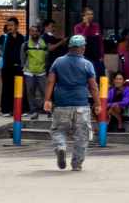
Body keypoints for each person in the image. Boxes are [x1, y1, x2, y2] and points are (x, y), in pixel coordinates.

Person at [43, 34, 101, 171]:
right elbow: (93, 86)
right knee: (82, 136)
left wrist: (47, 100)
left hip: (61, 104)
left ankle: (61, 147)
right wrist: (98, 104)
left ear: (69, 47)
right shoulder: (87, 64)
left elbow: (50, 81)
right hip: (81, 105)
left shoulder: (58, 62)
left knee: (58, 131)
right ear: (82, 48)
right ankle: (76, 164)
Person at [0, 16, 24, 118]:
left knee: (19, 89)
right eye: (8, 25)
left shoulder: (22, 38)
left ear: (17, 26)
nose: (9, 27)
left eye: (11, 25)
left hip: (19, 67)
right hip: (7, 67)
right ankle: (6, 110)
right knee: (7, 88)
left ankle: (19, 110)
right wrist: (0, 54)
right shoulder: (4, 37)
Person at [22, 24, 50, 119]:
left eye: (36, 31)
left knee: (45, 92)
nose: (34, 33)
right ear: (29, 33)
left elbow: (47, 57)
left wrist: (45, 68)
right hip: (29, 72)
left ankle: (47, 110)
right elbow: (22, 58)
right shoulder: (25, 45)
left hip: (41, 71)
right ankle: (33, 111)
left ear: (39, 32)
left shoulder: (44, 44)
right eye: (32, 31)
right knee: (30, 92)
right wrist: (24, 68)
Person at [74, 6, 103, 77]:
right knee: (88, 77)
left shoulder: (96, 26)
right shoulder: (78, 27)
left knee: (100, 77)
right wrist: (86, 26)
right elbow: (80, 40)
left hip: (96, 57)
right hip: (84, 57)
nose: (90, 16)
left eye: (92, 14)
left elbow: (100, 42)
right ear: (83, 16)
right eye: (88, 14)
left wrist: (102, 55)